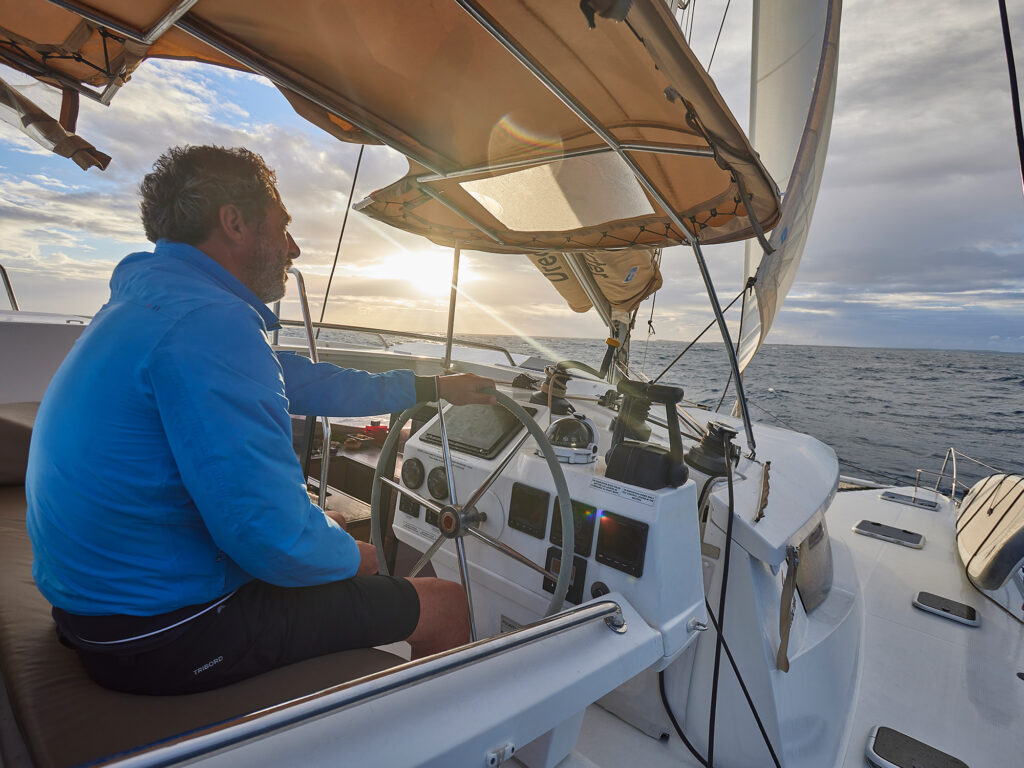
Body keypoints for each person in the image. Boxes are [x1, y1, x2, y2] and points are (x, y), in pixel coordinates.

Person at [26, 145, 494, 696]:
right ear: (234, 222)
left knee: (326, 528)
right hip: (161, 634)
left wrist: (430, 388)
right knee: (444, 603)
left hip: (92, 607)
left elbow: (303, 382)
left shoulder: (153, 303)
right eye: (283, 227)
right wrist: (353, 557)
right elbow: (268, 538)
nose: (293, 247)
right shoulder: (209, 325)